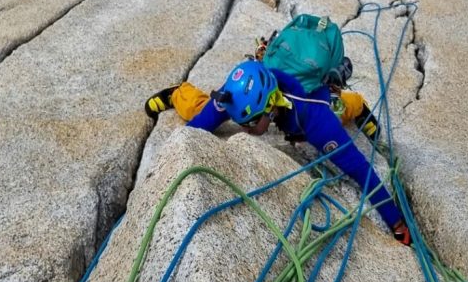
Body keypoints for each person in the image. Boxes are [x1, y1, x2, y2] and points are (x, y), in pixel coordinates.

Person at [145, 59, 412, 244]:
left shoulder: (317, 122)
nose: (245, 130)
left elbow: (360, 169)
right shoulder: (239, 91)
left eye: (250, 123)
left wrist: (396, 221)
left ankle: (359, 104)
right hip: (271, 91)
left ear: (271, 107)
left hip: (316, 103)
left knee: (341, 107)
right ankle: (179, 92)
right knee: (202, 113)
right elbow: (195, 130)